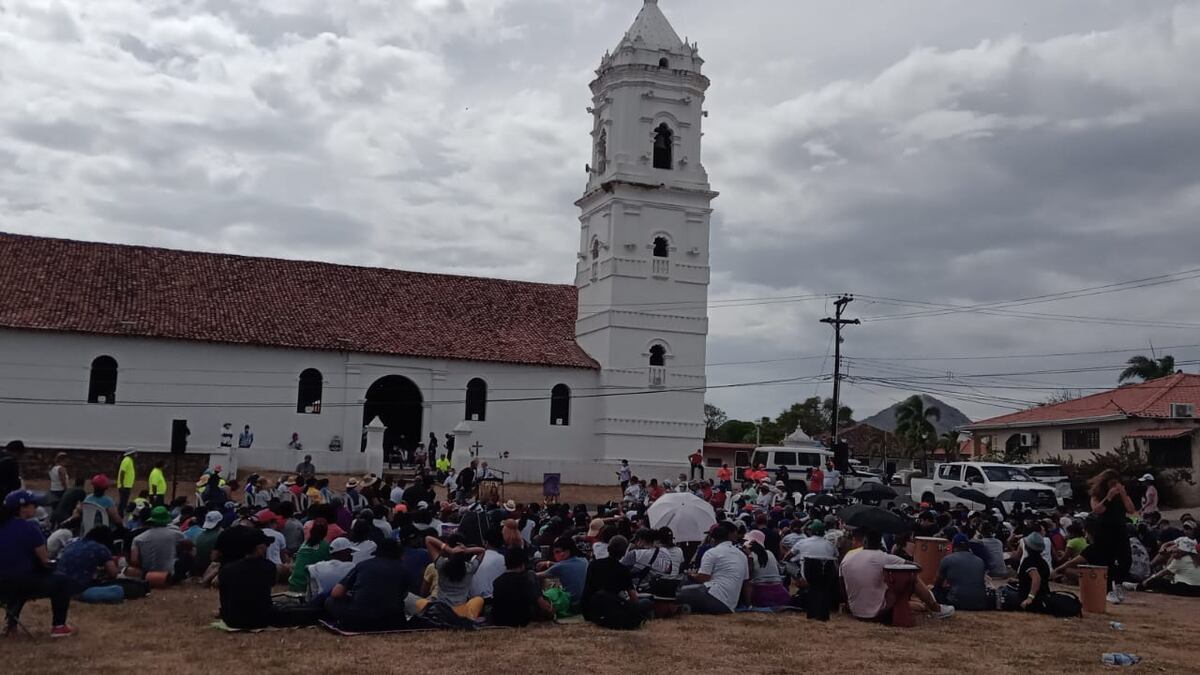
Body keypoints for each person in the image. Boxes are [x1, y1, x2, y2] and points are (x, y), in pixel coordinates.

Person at [0, 489, 76, 637]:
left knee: (18, 576)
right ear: (22, 508)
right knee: (61, 581)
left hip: (2, 585)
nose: (36, 507)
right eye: (33, 504)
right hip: (19, 584)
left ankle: (11, 625)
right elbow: (45, 560)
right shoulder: (30, 527)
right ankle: (59, 626)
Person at [842, 529, 954, 621]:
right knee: (911, 577)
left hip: (854, 610)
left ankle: (922, 604)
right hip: (877, 612)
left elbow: (841, 583)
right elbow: (918, 567)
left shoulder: (849, 557)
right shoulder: (885, 557)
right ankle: (936, 608)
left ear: (865, 542)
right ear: (880, 543)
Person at [325, 539, 409, 631]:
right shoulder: (403, 569)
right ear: (399, 554)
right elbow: (404, 595)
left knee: (330, 601)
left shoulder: (363, 565)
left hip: (359, 622)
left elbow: (336, 593)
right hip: (392, 622)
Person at [678, 522, 748, 614]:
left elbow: (703, 578)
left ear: (712, 539)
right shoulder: (742, 555)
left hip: (715, 596)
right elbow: (746, 583)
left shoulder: (712, 552)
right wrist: (748, 605)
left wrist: (691, 575)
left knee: (679, 593)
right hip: (730, 605)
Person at [1089, 469, 1135, 604]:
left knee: (1126, 559)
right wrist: (1108, 497)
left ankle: (1118, 582)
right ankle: (1108, 590)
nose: (1115, 485)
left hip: (1120, 528)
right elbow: (1097, 510)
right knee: (1106, 561)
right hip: (1104, 529)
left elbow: (1131, 509)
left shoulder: (1122, 495)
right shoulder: (1097, 495)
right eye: (1112, 483)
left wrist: (1123, 494)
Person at [582, 535, 649, 626]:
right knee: (646, 602)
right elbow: (633, 597)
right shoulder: (623, 570)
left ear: (608, 549)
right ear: (624, 552)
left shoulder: (593, 564)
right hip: (609, 610)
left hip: (590, 611)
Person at [419, 535, 486, 619]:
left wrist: (449, 550)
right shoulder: (470, 568)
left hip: (442, 611)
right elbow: (482, 551)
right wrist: (466, 550)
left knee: (421, 602)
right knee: (479, 600)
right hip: (461, 612)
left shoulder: (441, 564)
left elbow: (428, 539)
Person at [491, 548, 554, 627]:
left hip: (500, 621)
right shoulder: (527, 578)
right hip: (521, 620)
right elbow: (542, 605)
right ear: (523, 564)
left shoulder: (497, 581)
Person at [128, 506, 188, 581]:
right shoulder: (177, 534)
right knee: (187, 553)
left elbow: (134, 560)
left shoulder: (138, 538)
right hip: (170, 575)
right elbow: (189, 546)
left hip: (147, 575)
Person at [934, 534, 990, 611]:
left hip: (957, 603)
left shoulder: (947, 559)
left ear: (953, 546)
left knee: (935, 591)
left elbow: (938, 583)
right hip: (980, 603)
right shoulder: (980, 561)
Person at [56, 526, 119, 592]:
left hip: (59, 585)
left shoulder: (73, 544)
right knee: (118, 590)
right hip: (78, 587)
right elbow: (113, 573)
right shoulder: (101, 548)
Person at [538, 535, 589, 611]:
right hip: (585, 603)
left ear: (567, 551)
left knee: (551, 591)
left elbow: (537, 575)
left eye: (557, 552)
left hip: (570, 604)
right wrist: (550, 563)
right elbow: (570, 567)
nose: (555, 555)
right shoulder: (584, 561)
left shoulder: (560, 567)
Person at [744, 530, 790, 608]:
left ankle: (749, 606)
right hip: (782, 595)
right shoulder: (770, 553)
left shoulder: (748, 556)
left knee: (745, 581)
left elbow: (747, 576)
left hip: (761, 596)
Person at [1008, 532, 1052, 611]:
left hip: (1029, 598)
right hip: (1044, 596)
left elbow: (1036, 578)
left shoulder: (1028, 561)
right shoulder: (1043, 562)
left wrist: (1030, 598)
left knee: (1003, 592)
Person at [117, 448, 137, 515]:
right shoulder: (127, 460)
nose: (136, 454)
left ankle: (121, 514)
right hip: (124, 485)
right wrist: (122, 484)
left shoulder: (129, 460)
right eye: (134, 453)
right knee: (123, 502)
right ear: (131, 454)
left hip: (127, 485)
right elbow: (122, 472)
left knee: (124, 501)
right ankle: (120, 515)